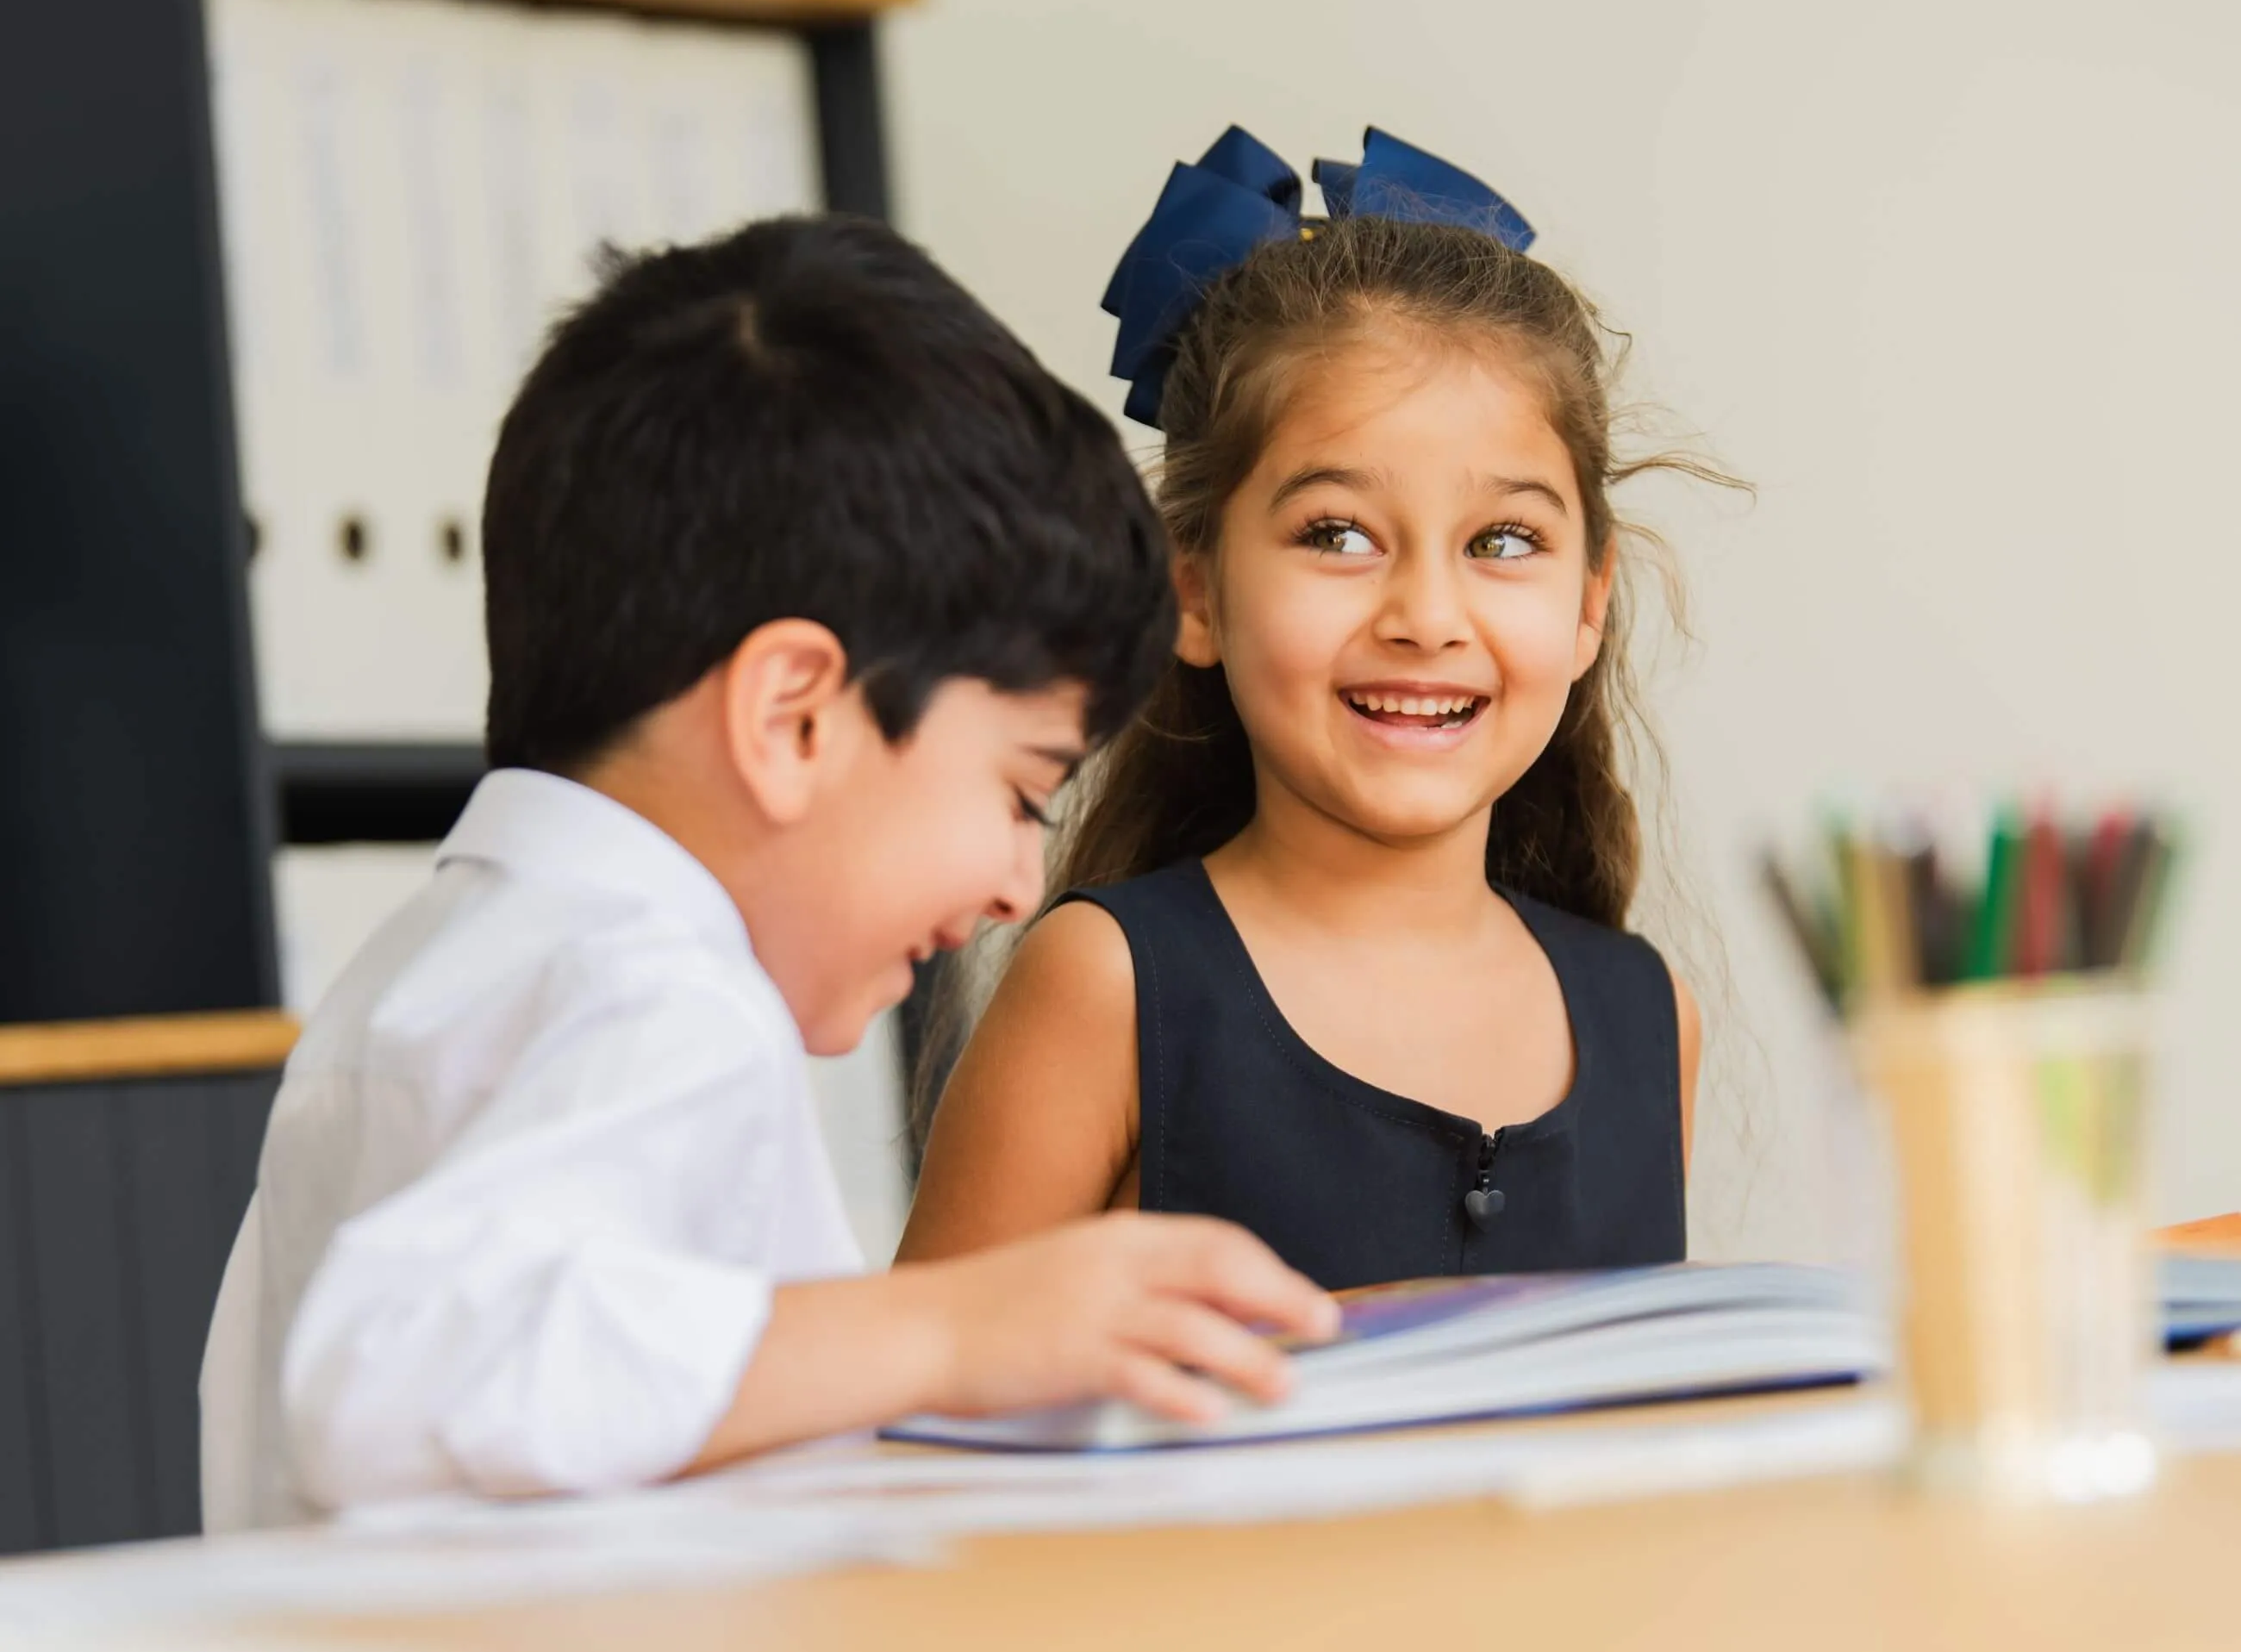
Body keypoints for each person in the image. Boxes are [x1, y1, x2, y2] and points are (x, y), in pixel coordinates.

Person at [199, 215, 1337, 1531]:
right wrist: (954, 1329)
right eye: (1021, 790)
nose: (1023, 884)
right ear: (793, 716)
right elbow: (390, 1379)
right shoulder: (664, 1002)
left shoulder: (428, 969)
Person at [902, 128, 1727, 1293]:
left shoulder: (1650, 1017)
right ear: (1193, 590)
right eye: (1337, 534)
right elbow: (920, 1422)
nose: (1426, 614)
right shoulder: (1108, 986)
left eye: (1504, 541)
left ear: (1588, 605)